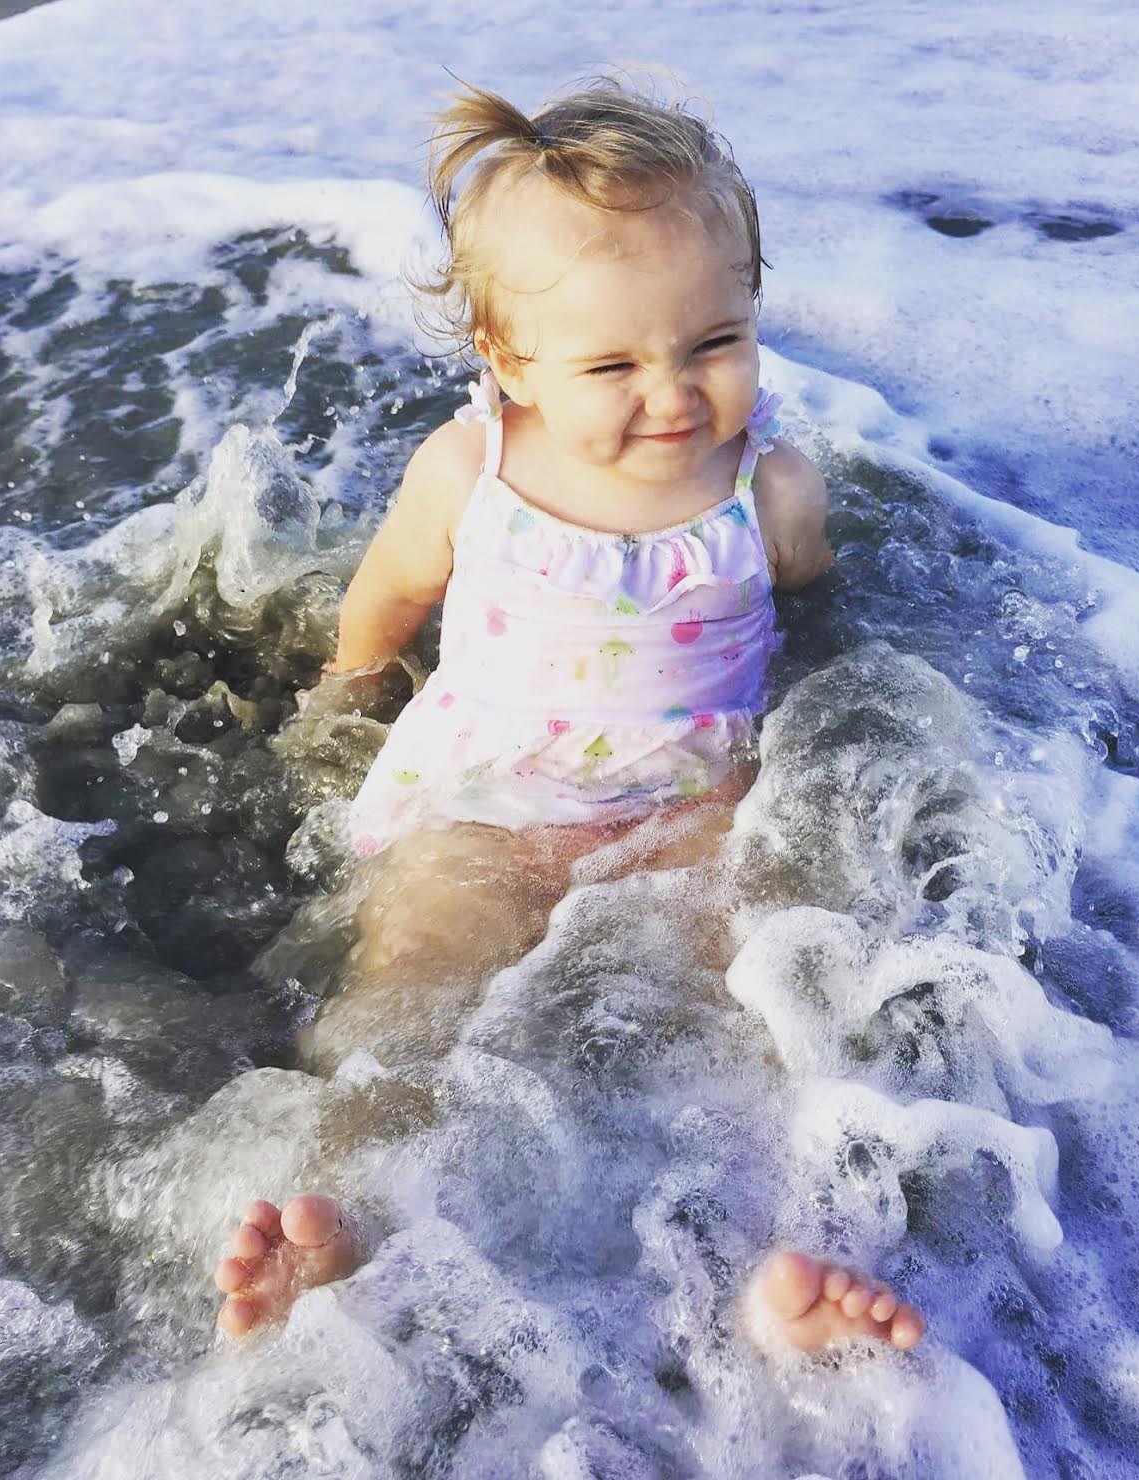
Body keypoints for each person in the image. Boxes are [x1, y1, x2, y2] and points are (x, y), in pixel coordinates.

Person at [214, 76, 925, 1357]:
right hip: (485, 799)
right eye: (613, 363)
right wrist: (347, 688)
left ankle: (776, 1254)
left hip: (684, 802)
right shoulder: (470, 471)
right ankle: (344, 1224)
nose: (673, 394)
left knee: (734, 1007)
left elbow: (808, 590)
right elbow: (389, 590)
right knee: (403, 1002)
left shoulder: (767, 486)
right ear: (508, 361)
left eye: (713, 342)